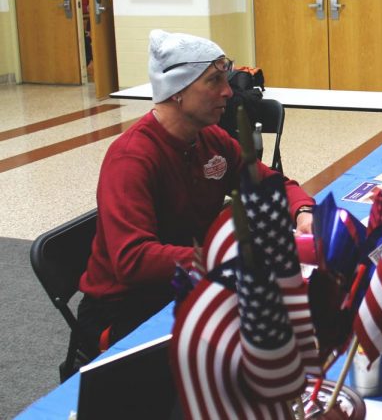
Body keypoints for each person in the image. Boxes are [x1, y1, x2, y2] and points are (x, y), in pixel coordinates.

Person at [77, 30, 316, 359]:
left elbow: (267, 183)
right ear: (177, 91)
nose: (229, 92)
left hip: (187, 283)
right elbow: (134, 260)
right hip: (126, 309)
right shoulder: (132, 159)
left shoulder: (211, 140)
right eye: (214, 81)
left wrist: (304, 212)